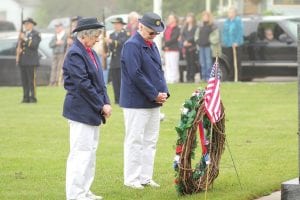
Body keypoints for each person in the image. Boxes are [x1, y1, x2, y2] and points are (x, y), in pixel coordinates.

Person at [62, 17, 112, 200]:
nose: (98, 38)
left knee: (90, 155)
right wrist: (101, 104)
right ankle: (75, 194)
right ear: (86, 35)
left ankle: (84, 191)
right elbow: (83, 84)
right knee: (80, 155)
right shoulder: (75, 53)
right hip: (80, 110)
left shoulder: (91, 52)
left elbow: (100, 82)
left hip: (92, 111)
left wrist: (106, 102)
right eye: (96, 35)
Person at [120, 12, 169, 189]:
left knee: (150, 141)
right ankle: (132, 178)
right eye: (151, 32)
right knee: (135, 140)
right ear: (140, 27)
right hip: (136, 102)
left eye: (156, 33)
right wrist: (154, 93)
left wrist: (164, 92)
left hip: (153, 101)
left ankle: (145, 177)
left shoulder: (152, 45)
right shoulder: (132, 45)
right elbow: (136, 74)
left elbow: (158, 71)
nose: (154, 35)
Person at [17, 17, 41, 103]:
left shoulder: (36, 34)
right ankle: (25, 97)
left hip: (31, 61)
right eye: (25, 24)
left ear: (32, 25)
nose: (26, 26)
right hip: (23, 61)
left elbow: (34, 45)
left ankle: (33, 97)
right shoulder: (23, 34)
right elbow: (19, 45)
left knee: (31, 81)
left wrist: (25, 38)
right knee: (24, 81)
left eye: (27, 24)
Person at [107, 17, 129, 104]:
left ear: (121, 25)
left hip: (122, 60)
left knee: (121, 81)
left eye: (117, 24)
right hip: (114, 61)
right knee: (115, 82)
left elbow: (122, 43)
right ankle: (117, 99)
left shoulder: (126, 34)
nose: (115, 26)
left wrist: (111, 42)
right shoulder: (112, 34)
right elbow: (111, 48)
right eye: (114, 24)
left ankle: (123, 98)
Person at [195, 11, 221, 81]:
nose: (205, 17)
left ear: (209, 17)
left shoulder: (213, 26)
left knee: (208, 63)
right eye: (203, 16)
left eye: (206, 16)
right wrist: (197, 41)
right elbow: (196, 35)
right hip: (201, 47)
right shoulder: (200, 26)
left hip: (209, 47)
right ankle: (203, 77)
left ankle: (209, 77)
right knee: (202, 63)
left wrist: (209, 40)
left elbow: (216, 37)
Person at [222, 7, 244, 81]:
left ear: (235, 13)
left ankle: (238, 77)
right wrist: (226, 41)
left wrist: (236, 42)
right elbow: (225, 33)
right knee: (230, 61)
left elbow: (240, 32)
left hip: (237, 45)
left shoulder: (238, 21)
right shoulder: (226, 21)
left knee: (237, 62)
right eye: (229, 12)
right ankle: (231, 77)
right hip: (229, 44)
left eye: (231, 12)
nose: (230, 14)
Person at [163, 14, 180, 83]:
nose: (169, 19)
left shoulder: (177, 28)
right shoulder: (167, 28)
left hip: (174, 48)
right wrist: (164, 46)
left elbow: (174, 38)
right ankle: (168, 78)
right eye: (169, 18)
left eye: (171, 18)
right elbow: (164, 38)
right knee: (168, 64)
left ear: (175, 19)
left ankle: (174, 79)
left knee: (174, 64)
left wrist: (167, 44)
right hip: (167, 49)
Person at [181, 13, 198, 83]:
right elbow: (183, 35)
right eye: (187, 17)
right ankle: (188, 77)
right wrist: (185, 41)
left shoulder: (195, 27)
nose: (188, 19)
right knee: (187, 63)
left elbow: (195, 36)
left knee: (192, 63)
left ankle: (192, 77)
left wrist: (188, 41)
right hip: (186, 47)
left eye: (189, 17)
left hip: (192, 47)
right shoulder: (185, 27)